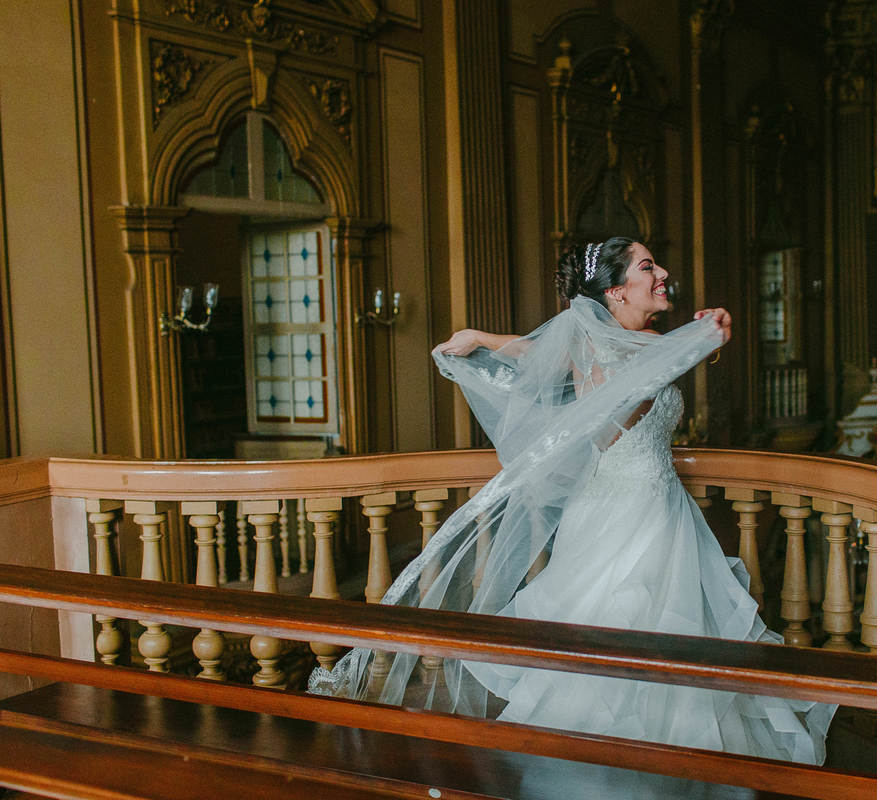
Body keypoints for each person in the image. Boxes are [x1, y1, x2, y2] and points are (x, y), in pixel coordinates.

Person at [310, 236, 835, 773]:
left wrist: (484, 336)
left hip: (660, 508)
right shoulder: (608, 355)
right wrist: (697, 339)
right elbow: (598, 399)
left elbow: (533, 348)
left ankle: (677, 764)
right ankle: (608, 766)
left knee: (674, 635)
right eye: (648, 267)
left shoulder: (633, 340)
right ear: (615, 292)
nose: (663, 274)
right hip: (623, 515)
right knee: (625, 636)